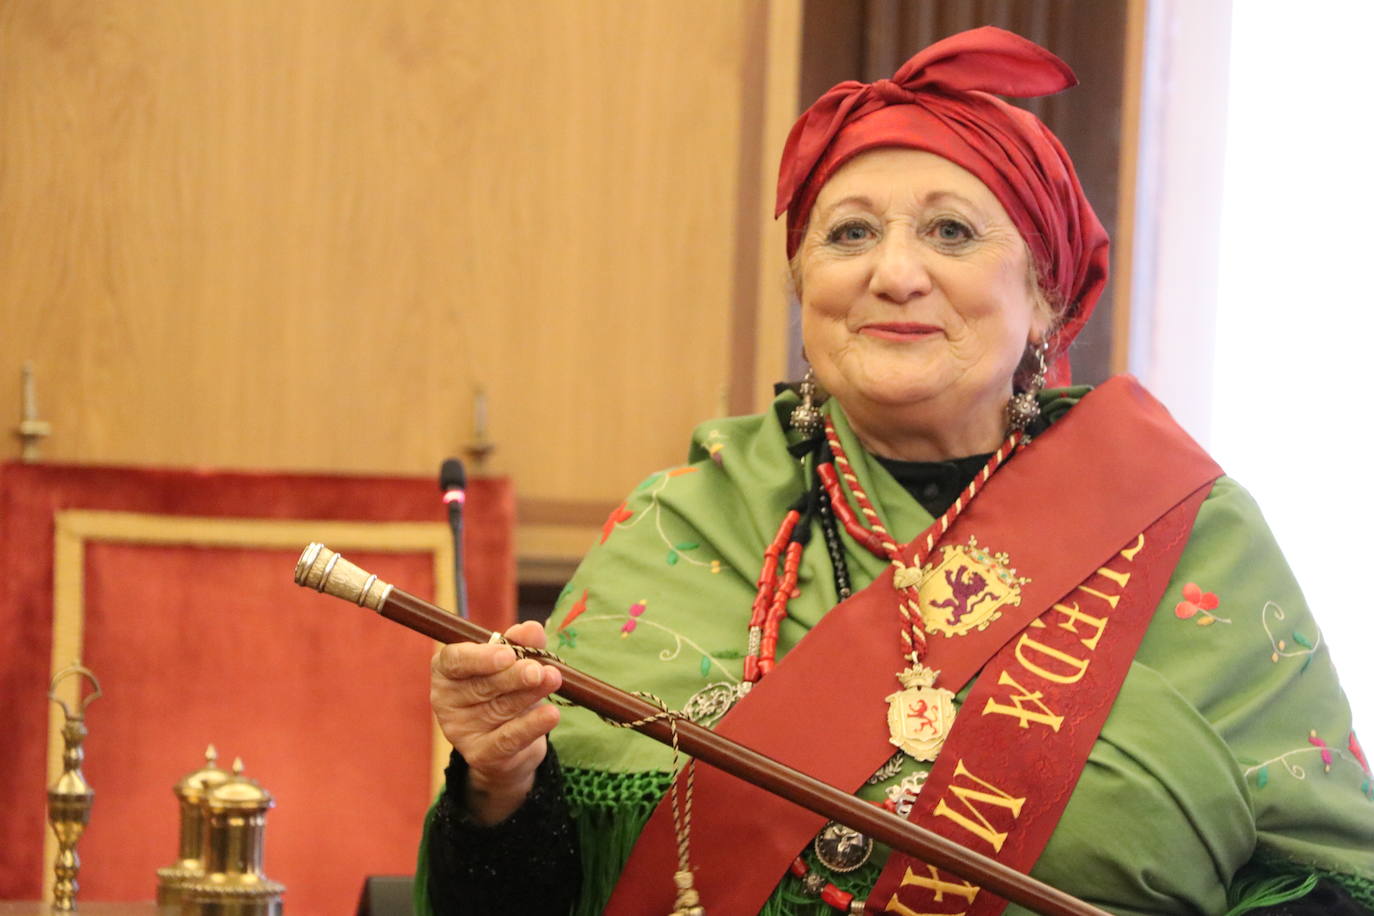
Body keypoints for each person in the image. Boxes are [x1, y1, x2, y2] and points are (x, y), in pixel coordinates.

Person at [418, 27, 1374, 916]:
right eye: (849, 234)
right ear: (804, 287)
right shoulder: (688, 521)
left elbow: (1327, 881)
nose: (895, 274)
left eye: (952, 232)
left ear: (1046, 296)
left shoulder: (1184, 528)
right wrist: (498, 786)